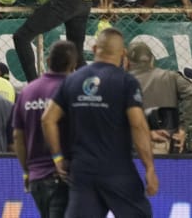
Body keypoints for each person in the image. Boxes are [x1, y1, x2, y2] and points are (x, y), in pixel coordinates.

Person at [41, 27, 158, 216]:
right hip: (118, 170)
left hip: (83, 172)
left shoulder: (73, 80)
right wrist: (149, 167)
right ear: (123, 54)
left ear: (95, 49)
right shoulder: (126, 82)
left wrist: (58, 158)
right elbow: (137, 124)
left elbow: (47, 119)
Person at [12, 40, 77, 217]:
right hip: (63, 175)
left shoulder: (28, 91)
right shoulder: (73, 89)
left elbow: (18, 136)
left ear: (48, 61)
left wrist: (27, 171)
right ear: (74, 65)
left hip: (37, 178)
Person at [126, 40, 192, 155]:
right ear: (151, 61)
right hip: (165, 141)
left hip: (133, 143)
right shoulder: (170, 77)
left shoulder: (121, 80)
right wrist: (182, 128)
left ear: (127, 62)